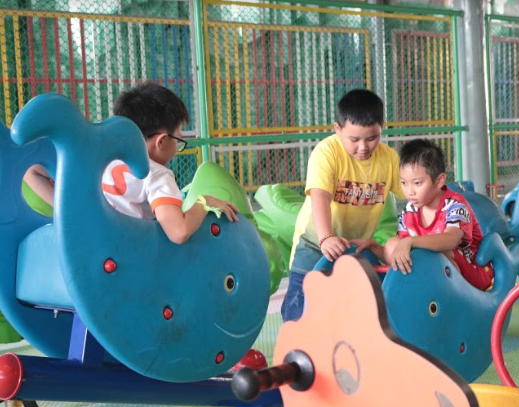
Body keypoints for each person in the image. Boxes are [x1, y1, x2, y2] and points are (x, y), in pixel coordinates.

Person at [22, 82, 238, 244]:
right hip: (130, 259)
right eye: (179, 139)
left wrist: (71, 212)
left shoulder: (97, 158)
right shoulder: (157, 175)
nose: (177, 146)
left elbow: (32, 171)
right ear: (162, 141)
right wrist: (203, 202)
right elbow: (178, 232)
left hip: (90, 247)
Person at [281, 88, 404, 322]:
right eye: (354, 139)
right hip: (315, 242)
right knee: (300, 304)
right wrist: (326, 237)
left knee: (364, 307)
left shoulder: (388, 159)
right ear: (338, 129)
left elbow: (412, 193)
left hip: (355, 245)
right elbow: (320, 196)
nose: (363, 147)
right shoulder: (327, 152)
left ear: (381, 128)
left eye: (372, 138)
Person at [381, 139, 494, 291]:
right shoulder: (410, 209)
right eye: (404, 183)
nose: (409, 191)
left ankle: (439, 296)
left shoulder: (454, 205)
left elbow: (451, 240)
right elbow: (399, 249)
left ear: (439, 180)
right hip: (435, 273)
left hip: (472, 274)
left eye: (417, 183)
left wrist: (411, 241)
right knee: (392, 243)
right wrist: (374, 248)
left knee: (439, 251)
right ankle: (413, 290)